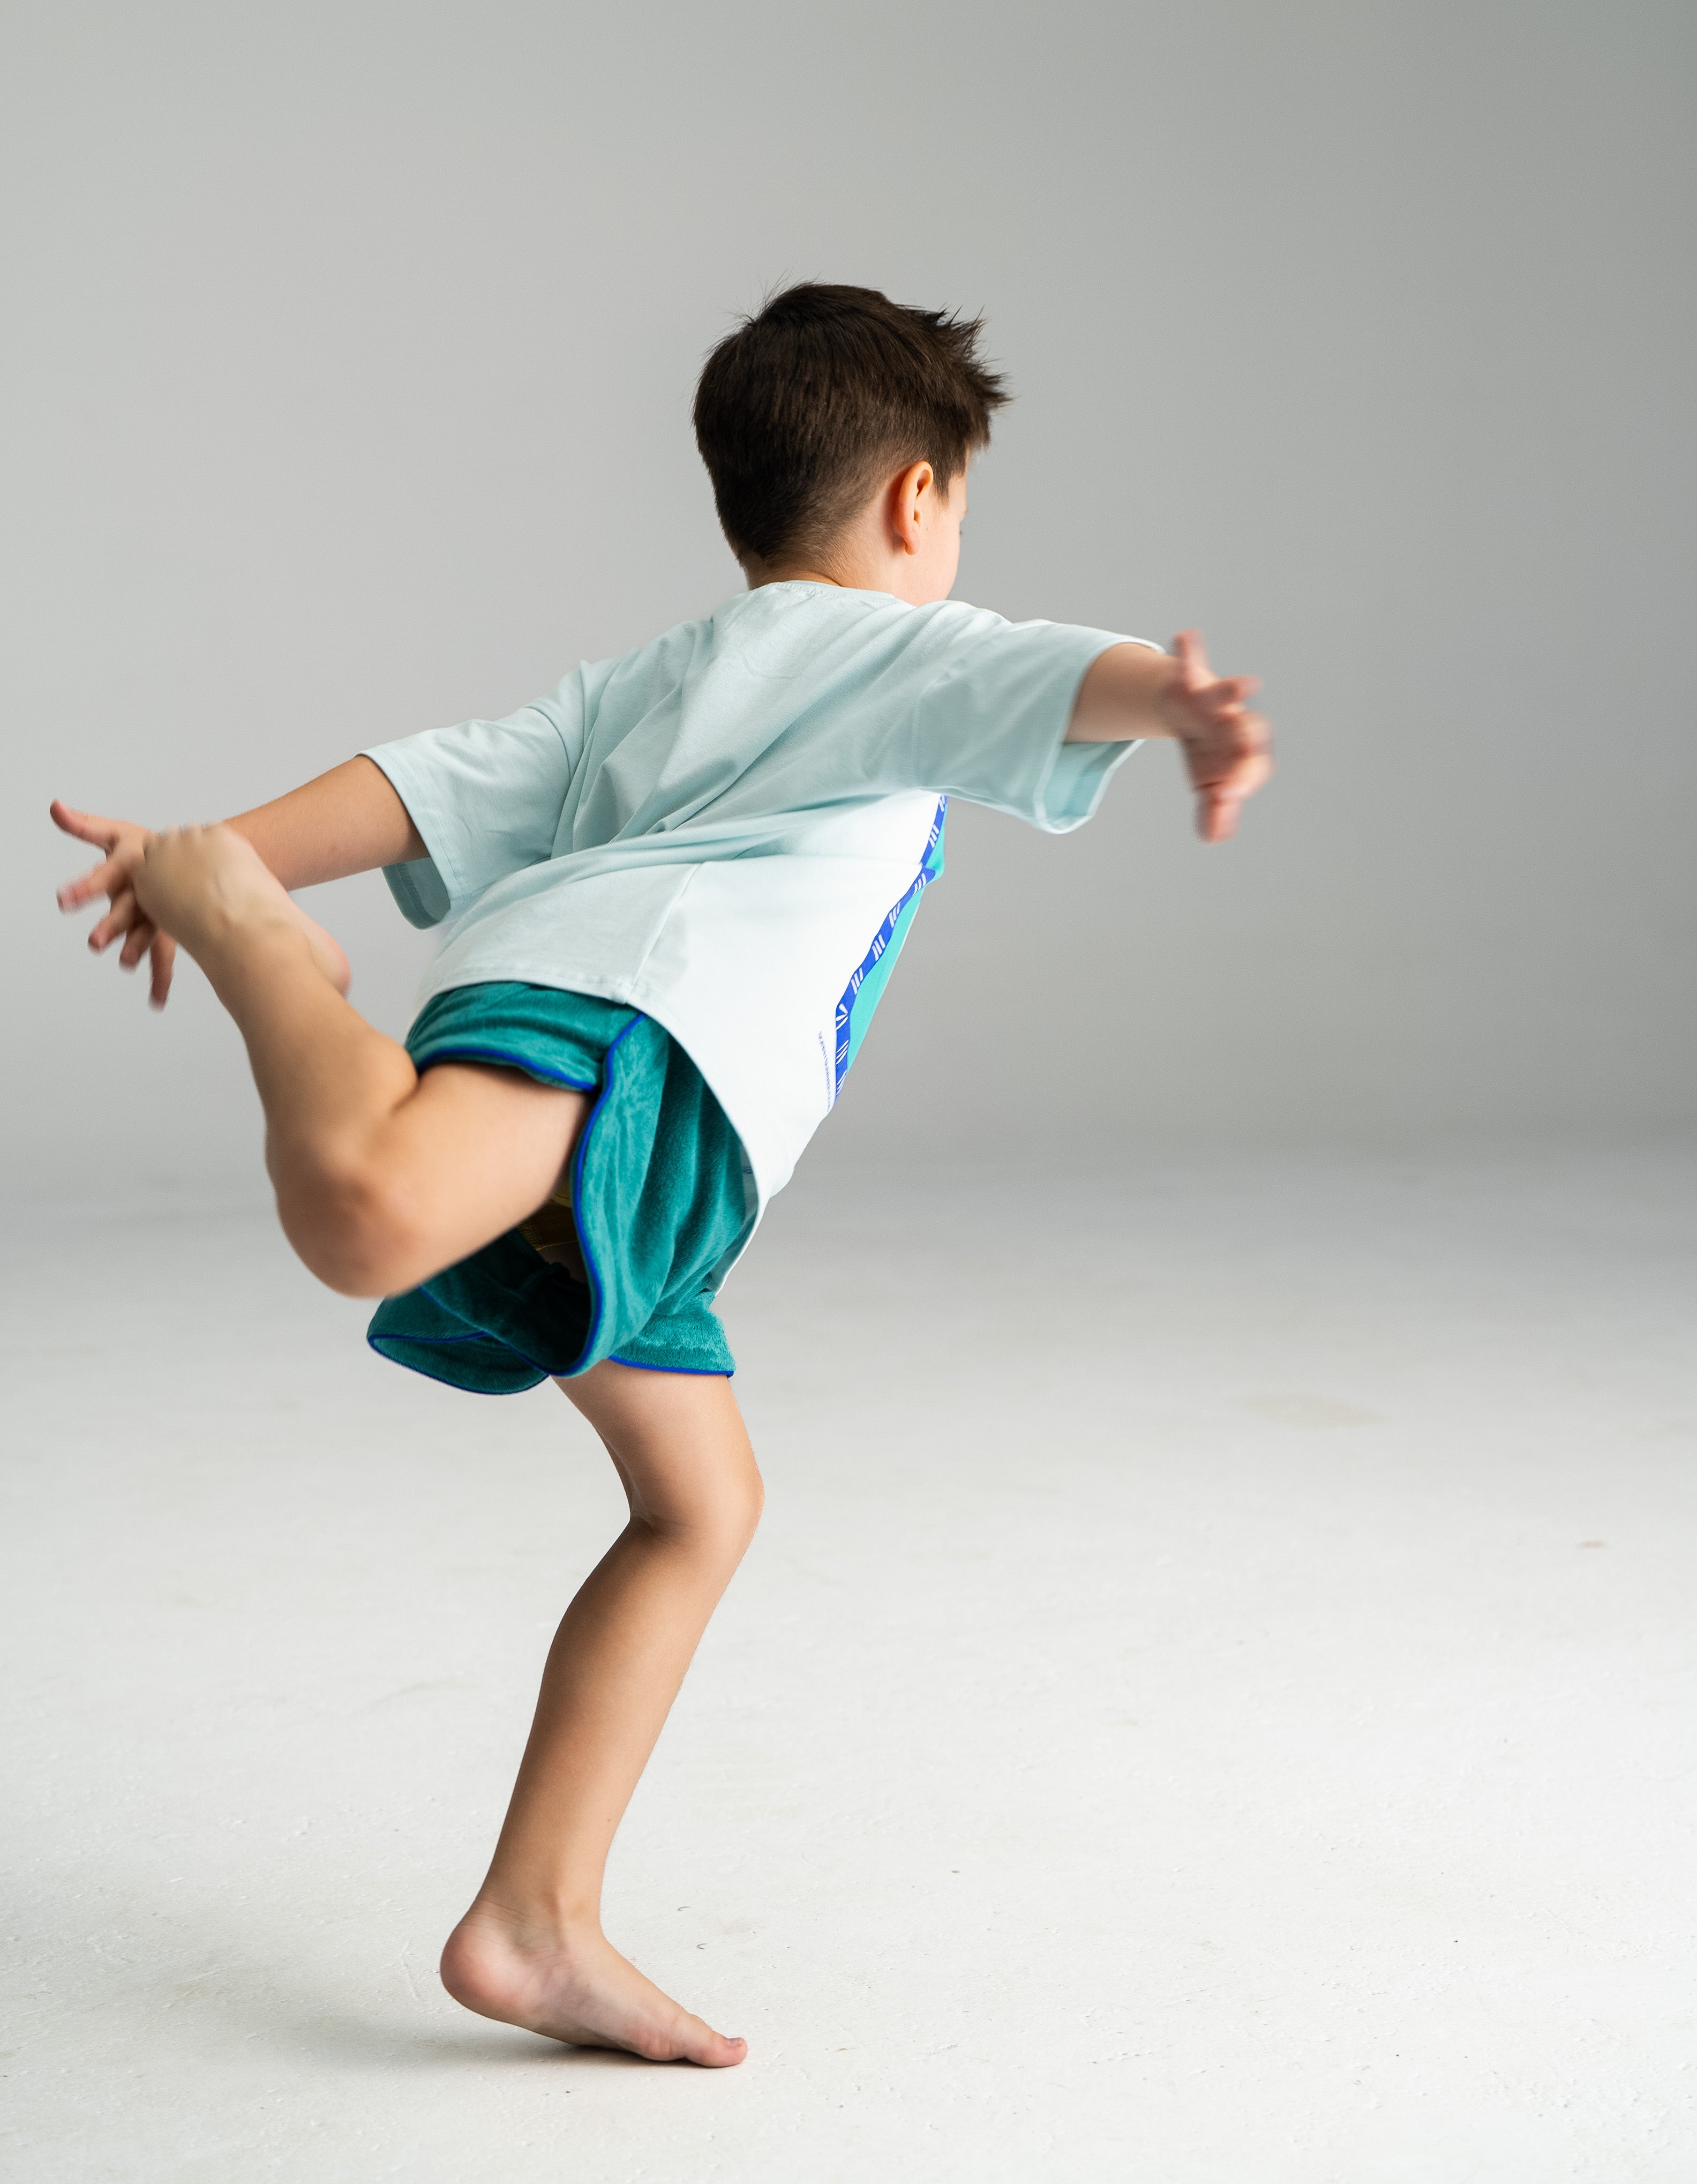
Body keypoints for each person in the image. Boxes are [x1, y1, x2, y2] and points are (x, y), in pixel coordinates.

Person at [53, 282, 1272, 2069]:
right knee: (374, 1209)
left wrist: (215, 839)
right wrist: (1182, 704)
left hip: (648, 1105)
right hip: (627, 1024)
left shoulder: (667, 675)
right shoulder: (898, 646)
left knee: (702, 1504)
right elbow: (1039, 671)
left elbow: (441, 780)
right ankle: (267, 961)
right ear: (918, 500)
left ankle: (536, 1921)